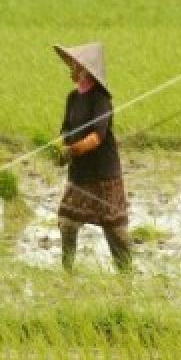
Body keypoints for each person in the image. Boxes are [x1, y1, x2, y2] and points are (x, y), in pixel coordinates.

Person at [52, 42, 132, 272]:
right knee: (67, 222)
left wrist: (73, 150)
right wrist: (60, 146)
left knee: (114, 229)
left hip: (103, 174)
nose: (72, 68)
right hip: (79, 173)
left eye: (75, 65)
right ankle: (67, 270)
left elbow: (96, 137)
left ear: (86, 69)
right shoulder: (72, 98)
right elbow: (66, 130)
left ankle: (126, 274)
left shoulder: (101, 100)